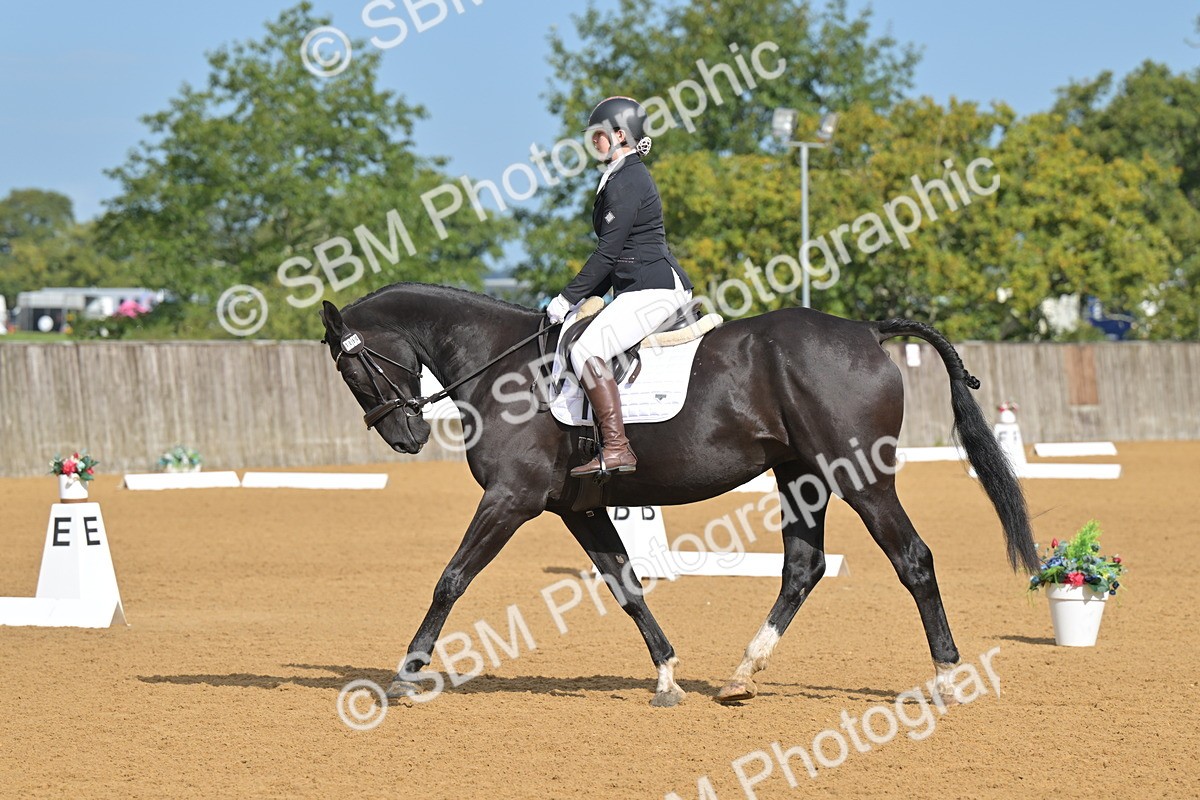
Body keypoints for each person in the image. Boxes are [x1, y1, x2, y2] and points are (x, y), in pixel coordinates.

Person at [545, 96, 695, 476]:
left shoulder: (628, 179)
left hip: (653, 288)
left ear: (620, 135)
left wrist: (567, 297)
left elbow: (608, 252)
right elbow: (617, 254)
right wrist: (588, 299)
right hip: (637, 286)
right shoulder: (618, 175)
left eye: (598, 134)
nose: (593, 141)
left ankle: (617, 447)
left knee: (587, 349)